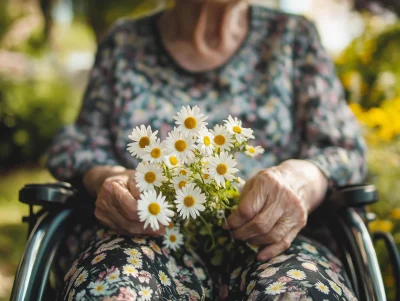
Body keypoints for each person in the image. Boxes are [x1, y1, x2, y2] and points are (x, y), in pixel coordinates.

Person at [46, 0, 366, 300]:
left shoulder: (293, 37)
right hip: (143, 238)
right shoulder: (124, 43)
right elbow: (78, 146)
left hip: (275, 244)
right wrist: (107, 177)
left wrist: (303, 178)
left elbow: (345, 149)